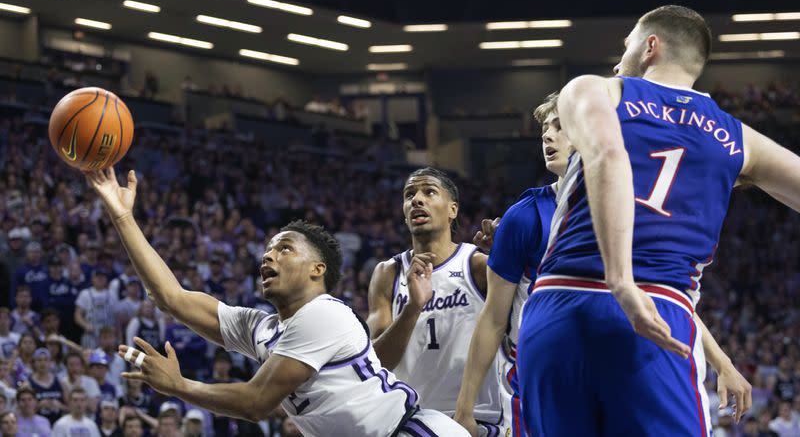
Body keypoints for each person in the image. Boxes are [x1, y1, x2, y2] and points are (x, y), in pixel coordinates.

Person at [517, 4, 800, 436]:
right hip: (658, 305)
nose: (618, 58)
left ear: (650, 46)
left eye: (626, 43)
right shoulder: (738, 137)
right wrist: (623, 285)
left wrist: (619, 279)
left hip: (558, 303)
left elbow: (608, 155)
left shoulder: (597, 89)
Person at [85, 167, 469, 437]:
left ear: (317, 269)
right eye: (268, 250)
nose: (268, 257)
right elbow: (172, 298)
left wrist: (180, 385)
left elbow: (256, 402)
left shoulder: (325, 315)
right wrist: (122, 217)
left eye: (284, 249)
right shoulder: (264, 329)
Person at [456, 92, 752, 436]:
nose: (548, 137)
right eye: (544, 132)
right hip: (556, 373)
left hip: (625, 365)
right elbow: (493, 318)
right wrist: (465, 409)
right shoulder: (524, 216)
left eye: (559, 127)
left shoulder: (630, 207)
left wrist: (722, 363)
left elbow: (662, 297)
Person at [366, 167, 503, 434]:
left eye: (429, 192)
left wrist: (510, 261)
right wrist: (413, 308)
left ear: (452, 210)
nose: (417, 200)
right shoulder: (388, 273)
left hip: (477, 420)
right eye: (409, 195)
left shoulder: (477, 265)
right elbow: (377, 363)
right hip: (414, 422)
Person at [28, 348, 65, 424]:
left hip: (58, 425)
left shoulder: (60, 382)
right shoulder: (28, 384)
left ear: (51, 362)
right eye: (39, 360)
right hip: (36, 425)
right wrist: (39, 406)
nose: (43, 363)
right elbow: (22, 411)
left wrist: (59, 406)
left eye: (46, 360)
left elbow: (71, 408)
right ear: (34, 363)